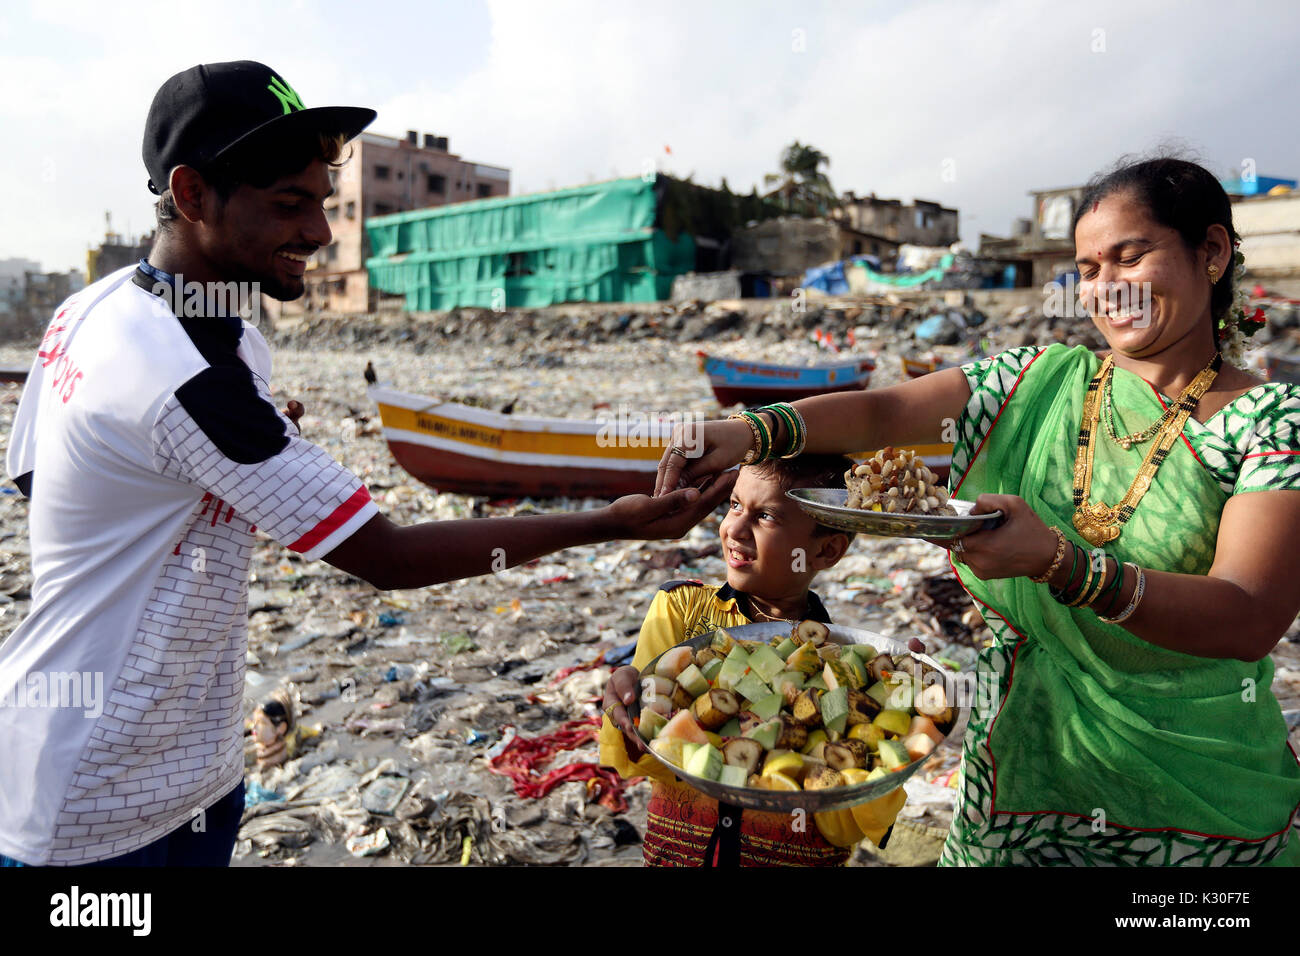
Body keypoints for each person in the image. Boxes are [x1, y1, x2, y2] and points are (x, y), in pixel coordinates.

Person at [0, 61, 732, 868]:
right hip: (93, 795)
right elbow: (388, 557)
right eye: (290, 204)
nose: (317, 231)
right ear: (192, 194)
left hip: (194, 768)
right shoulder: (186, 375)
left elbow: (42, 478)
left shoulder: (105, 313)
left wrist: (212, 464)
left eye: (321, 201)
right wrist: (608, 523)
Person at [654, 156, 1300, 866]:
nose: (1106, 288)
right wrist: (746, 432)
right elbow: (885, 411)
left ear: (1210, 252)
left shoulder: (1269, 419)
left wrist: (1063, 565)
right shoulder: (1033, 381)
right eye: (1086, 268)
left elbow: (1248, 615)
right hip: (1018, 787)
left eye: (1130, 256)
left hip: (1197, 802)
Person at [601, 454, 911, 866]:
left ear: (828, 549)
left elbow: (846, 825)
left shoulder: (844, 666)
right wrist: (627, 698)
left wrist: (899, 698)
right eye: (734, 505)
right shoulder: (679, 610)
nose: (734, 529)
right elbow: (645, 757)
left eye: (766, 516)